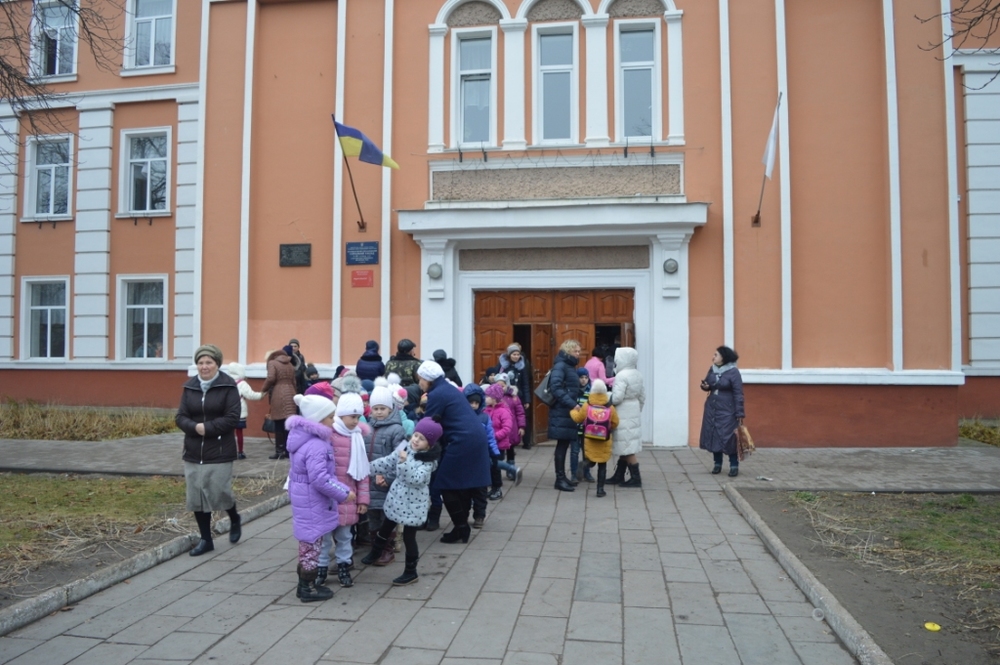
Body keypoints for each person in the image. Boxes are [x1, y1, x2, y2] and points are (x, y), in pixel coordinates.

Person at [285, 394, 355, 602]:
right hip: (312, 502)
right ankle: (308, 589)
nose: (334, 420)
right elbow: (320, 478)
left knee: (308, 545)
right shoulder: (316, 445)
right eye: (330, 417)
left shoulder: (302, 440)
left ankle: (304, 586)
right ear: (318, 419)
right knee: (311, 547)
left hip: (304, 500)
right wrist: (344, 493)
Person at [175, 344, 243, 556]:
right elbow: (180, 417)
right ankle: (206, 539)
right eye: (200, 362)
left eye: (208, 362)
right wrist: (195, 427)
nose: (204, 366)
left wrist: (208, 428)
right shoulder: (190, 387)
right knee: (196, 496)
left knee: (219, 491)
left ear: (217, 364)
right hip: (194, 449)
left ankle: (234, 518)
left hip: (220, 449)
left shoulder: (228, 386)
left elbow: (232, 418)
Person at [361, 418, 443, 586]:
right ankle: (376, 552)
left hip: (413, 505)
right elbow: (388, 461)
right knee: (385, 528)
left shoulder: (428, 461)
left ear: (429, 444)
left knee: (409, 537)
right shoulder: (405, 447)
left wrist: (404, 463)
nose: (416, 440)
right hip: (396, 499)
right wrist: (365, 468)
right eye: (416, 435)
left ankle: (411, 572)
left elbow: (415, 479)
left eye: (421, 439)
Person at [419, 360, 491, 543]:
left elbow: (429, 425)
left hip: (461, 441)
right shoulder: (448, 388)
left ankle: (461, 527)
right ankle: (460, 528)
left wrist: (415, 446)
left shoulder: (436, 394)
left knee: (445, 483)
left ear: (428, 379)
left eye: (420, 379)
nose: (419, 383)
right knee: (461, 485)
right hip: (474, 438)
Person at [316, 393, 370, 589]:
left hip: (349, 497)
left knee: (345, 537)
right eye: (352, 416)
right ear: (340, 414)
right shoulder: (327, 434)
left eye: (358, 417)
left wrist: (363, 500)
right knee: (323, 538)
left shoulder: (357, 437)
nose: (356, 421)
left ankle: (344, 567)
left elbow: (362, 472)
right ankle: (321, 568)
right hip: (326, 496)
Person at [363, 385, 408, 565]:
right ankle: (376, 547)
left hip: (386, 483)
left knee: (387, 517)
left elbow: (400, 456)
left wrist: (388, 478)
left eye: (383, 408)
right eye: (376, 408)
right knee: (373, 515)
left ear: (390, 409)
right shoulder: (366, 428)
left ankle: (387, 549)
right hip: (369, 481)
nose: (379, 412)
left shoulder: (397, 430)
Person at [699, 345, 745, 477]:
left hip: (727, 409)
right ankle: (717, 464)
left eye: (716, 355)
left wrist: (739, 412)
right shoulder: (712, 369)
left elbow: (738, 393)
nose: (713, 357)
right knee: (714, 435)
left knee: (729, 437)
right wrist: (705, 386)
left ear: (723, 357)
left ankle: (734, 465)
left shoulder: (733, 372)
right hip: (712, 408)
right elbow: (709, 384)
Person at [571, 379, 619, 497]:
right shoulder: (610, 407)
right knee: (602, 465)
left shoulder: (588, 405)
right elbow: (616, 422)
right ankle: (600, 490)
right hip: (604, 440)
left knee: (591, 460)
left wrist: (572, 411)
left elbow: (578, 418)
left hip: (590, 438)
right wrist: (609, 428)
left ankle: (584, 464)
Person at [547, 339, 583, 492]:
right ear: (568, 351)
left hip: (566, 411)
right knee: (562, 445)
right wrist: (572, 404)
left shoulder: (569, 366)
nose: (578, 354)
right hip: (562, 411)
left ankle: (562, 477)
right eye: (576, 351)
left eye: (579, 351)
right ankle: (559, 479)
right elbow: (556, 388)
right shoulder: (561, 366)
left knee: (564, 444)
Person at [607, 347, 646, 488]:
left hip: (623, 412)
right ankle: (619, 475)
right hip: (633, 410)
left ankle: (636, 478)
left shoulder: (621, 376)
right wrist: (637, 409)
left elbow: (617, 398)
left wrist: (607, 397)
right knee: (626, 445)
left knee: (627, 447)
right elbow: (642, 396)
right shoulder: (638, 374)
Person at [483, 383, 522, 500]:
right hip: (489, 443)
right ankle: (493, 488)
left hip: (499, 444)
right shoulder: (486, 410)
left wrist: (493, 436)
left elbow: (507, 428)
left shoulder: (503, 411)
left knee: (495, 467)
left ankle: (498, 489)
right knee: (491, 466)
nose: (485, 398)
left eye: (487, 396)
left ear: (494, 398)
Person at [261, 346, 298, 460]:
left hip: (278, 393)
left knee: (278, 423)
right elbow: (294, 381)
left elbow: (271, 378)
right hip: (291, 393)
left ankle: (279, 450)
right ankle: (288, 450)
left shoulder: (272, 363)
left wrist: (263, 389)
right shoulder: (290, 364)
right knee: (288, 424)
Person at [225, 362, 265, 460]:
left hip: (227, 410)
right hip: (239, 410)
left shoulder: (225, 382)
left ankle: (228, 451)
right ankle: (240, 452)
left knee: (228, 433)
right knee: (239, 433)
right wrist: (262, 394)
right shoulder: (242, 384)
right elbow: (251, 395)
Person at [496, 344, 532, 448]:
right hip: (504, 397)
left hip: (518, 396)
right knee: (505, 417)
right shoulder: (502, 366)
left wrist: (527, 400)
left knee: (521, 417)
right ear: (509, 355)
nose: (516, 356)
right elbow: (497, 380)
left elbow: (525, 384)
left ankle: (525, 442)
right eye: (514, 354)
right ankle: (505, 441)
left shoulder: (522, 366)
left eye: (518, 354)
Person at [494, 373, 526, 460]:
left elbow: (520, 413)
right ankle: (499, 466)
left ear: (507, 386)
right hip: (499, 428)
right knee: (499, 449)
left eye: (502, 386)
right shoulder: (493, 398)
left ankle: (511, 465)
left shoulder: (513, 397)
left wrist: (521, 427)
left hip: (511, 427)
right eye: (498, 386)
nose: (500, 388)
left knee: (510, 448)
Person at [570, 367, 594, 483]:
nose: (583, 380)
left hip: (587, 428)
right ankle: (574, 474)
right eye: (581, 377)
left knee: (587, 451)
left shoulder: (591, 392)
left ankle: (586, 472)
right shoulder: (573, 391)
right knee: (574, 451)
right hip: (575, 427)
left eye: (586, 377)